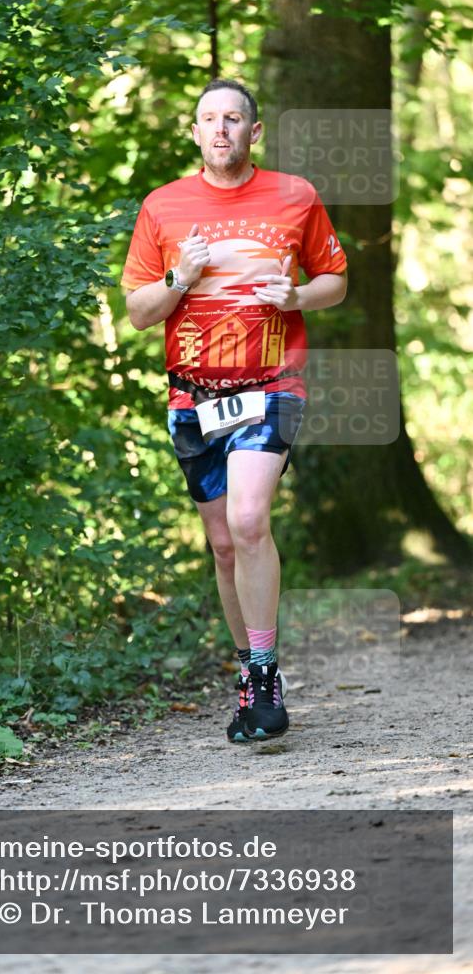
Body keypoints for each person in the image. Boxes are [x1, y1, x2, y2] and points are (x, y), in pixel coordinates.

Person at [121, 79, 347, 743]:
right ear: (194, 133)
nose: (220, 130)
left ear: (253, 132)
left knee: (248, 521)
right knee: (223, 545)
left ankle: (266, 670)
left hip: (271, 385)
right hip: (193, 395)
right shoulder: (162, 207)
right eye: (208, 119)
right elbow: (137, 312)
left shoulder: (294, 196)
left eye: (233, 119)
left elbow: (334, 281)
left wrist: (297, 295)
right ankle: (249, 675)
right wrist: (178, 279)